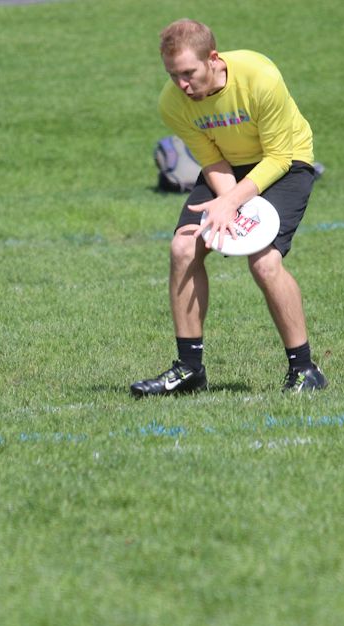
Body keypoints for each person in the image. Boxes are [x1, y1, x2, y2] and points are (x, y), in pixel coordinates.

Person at [130, 18, 327, 397]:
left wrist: (231, 204)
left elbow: (278, 158)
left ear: (213, 59)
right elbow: (211, 160)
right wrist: (227, 203)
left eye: (188, 73)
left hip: (286, 162)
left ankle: (304, 370)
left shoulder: (260, 78)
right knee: (183, 247)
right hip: (227, 167)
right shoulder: (173, 103)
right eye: (172, 75)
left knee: (264, 261)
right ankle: (189, 369)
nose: (181, 85)